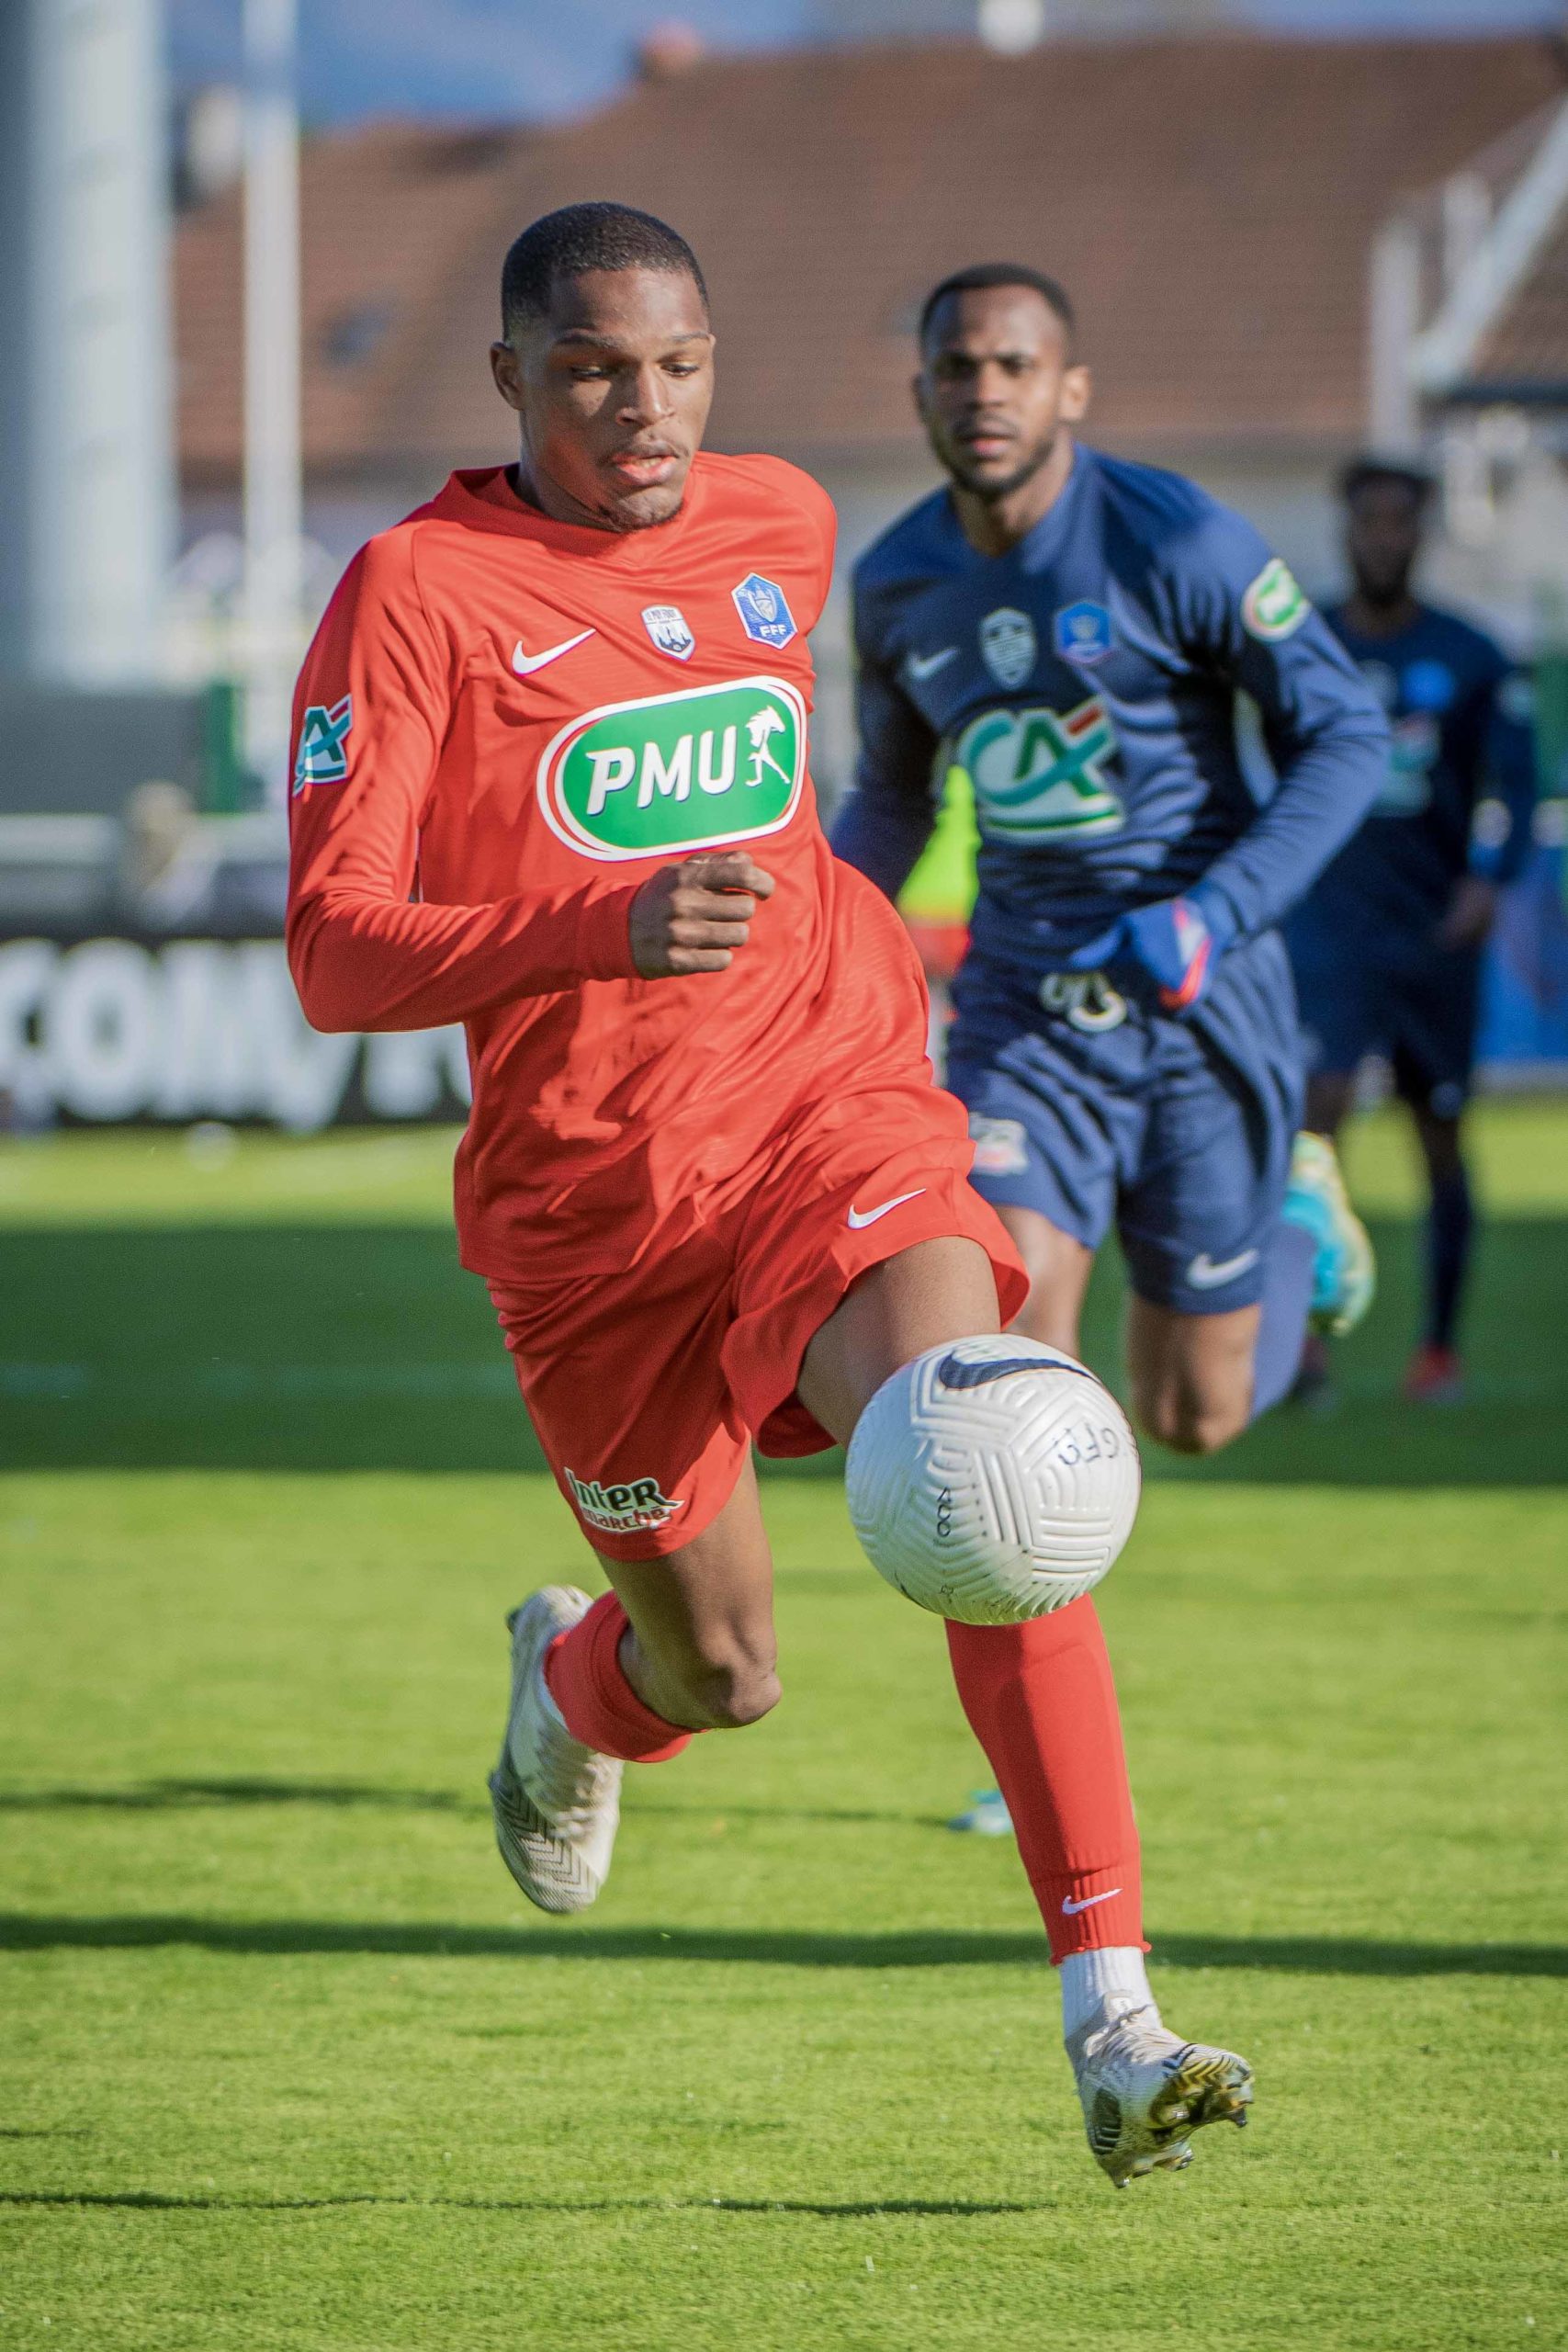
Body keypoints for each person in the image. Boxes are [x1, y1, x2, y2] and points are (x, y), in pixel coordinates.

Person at [286, 206, 1251, 2188]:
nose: (643, 409)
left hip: (833, 1108)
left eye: (678, 364)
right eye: (591, 370)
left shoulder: (780, 522)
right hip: (595, 1215)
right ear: (510, 377)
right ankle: (570, 1691)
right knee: (717, 1674)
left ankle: (1114, 2018)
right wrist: (599, 924)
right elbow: (333, 952)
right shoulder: (413, 592)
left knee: (986, 1455)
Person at [834, 263, 1387, 1459]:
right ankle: (1028, 1556)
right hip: (1022, 1009)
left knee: (1193, 1415)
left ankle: (1296, 1218)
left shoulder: (1174, 537)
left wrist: (1210, 915)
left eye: (1014, 366)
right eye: (956, 368)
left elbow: (1345, 732)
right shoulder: (894, 582)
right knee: (1003, 1354)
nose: (984, 391)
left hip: (1201, 998)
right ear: (920, 393)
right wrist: (817, 935)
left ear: (1070, 390)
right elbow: (892, 795)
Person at [1286, 458, 1537, 1403]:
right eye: (1370, 521)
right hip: (1330, 927)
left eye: (1400, 522)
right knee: (1315, 1125)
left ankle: (1437, 1350)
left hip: (1432, 936)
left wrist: (1487, 879)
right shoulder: (1304, 644)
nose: (1384, 538)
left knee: (1437, 1131)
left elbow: (1516, 786)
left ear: (1421, 532)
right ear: (1346, 528)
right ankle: (1302, 1346)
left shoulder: (1470, 654)